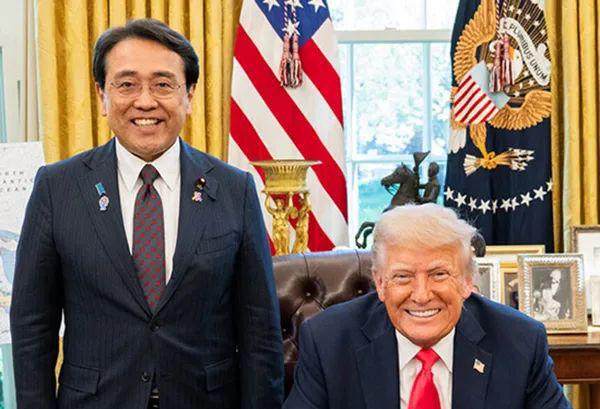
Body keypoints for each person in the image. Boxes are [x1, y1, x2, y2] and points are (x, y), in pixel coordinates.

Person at [10, 19, 283, 409]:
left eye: (163, 84)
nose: (145, 102)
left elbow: (261, 333)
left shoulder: (233, 189)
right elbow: (32, 328)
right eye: (126, 84)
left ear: (189, 95)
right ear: (102, 95)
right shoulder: (58, 188)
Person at [284, 203, 570, 409]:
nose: (421, 295)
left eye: (439, 274)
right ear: (380, 283)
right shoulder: (328, 341)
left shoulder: (520, 343)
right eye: (403, 277)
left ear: (468, 281)